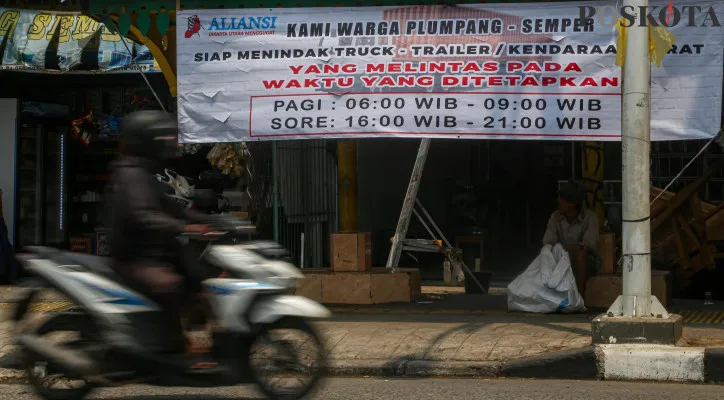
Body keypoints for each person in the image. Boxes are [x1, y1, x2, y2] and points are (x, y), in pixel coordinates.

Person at [107, 110, 212, 364]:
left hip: (153, 253)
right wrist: (184, 228)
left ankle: (188, 342)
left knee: (196, 278)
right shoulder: (131, 174)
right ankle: (166, 351)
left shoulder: (144, 173)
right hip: (135, 259)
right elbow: (144, 215)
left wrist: (211, 221)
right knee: (170, 285)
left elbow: (173, 208)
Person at [542, 181, 600, 297]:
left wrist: (564, 246)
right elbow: (548, 242)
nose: (559, 202)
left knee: (580, 255)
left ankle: (580, 298)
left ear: (572, 204)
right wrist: (564, 249)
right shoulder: (555, 217)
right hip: (562, 257)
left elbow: (586, 246)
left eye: (562, 199)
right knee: (546, 254)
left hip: (587, 261)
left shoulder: (590, 218)